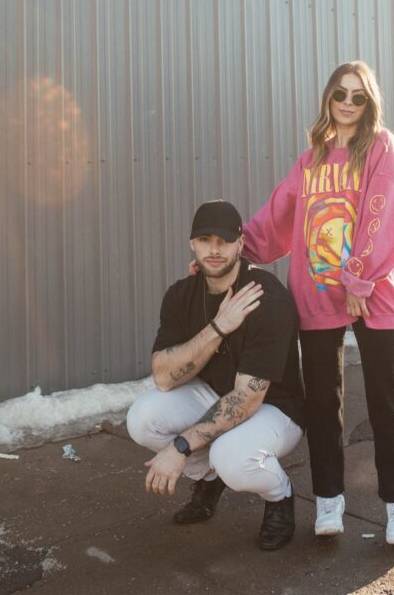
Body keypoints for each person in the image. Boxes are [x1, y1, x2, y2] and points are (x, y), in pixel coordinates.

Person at [242, 60, 394, 545]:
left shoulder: (381, 148)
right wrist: (233, 250)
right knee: (323, 402)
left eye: (358, 96)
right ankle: (328, 498)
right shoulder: (311, 158)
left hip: (373, 293)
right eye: (340, 93)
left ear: (369, 103)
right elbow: (278, 216)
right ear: (327, 98)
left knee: (386, 399)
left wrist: (359, 280)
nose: (347, 103)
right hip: (317, 289)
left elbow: (384, 216)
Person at [127, 199, 305, 551]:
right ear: (192, 243)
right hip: (212, 394)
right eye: (205, 239)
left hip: (274, 408)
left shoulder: (266, 299)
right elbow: (164, 377)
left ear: (241, 244)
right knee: (142, 420)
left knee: (231, 457)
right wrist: (218, 328)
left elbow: (247, 398)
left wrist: (180, 447)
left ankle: (279, 496)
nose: (214, 249)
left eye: (224, 241)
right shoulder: (181, 295)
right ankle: (210, 479)